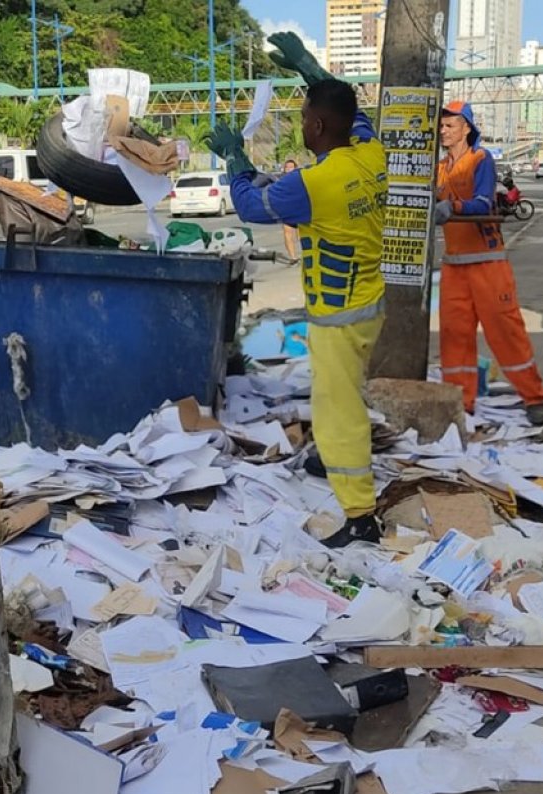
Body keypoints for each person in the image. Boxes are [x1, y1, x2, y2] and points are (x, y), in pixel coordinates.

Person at [207, 31, 387, 548]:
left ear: (317, 125)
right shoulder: (370, 155)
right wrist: (312, 69)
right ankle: (332, 467)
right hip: (368, 302)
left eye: (306, 116)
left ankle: (361, 516)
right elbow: (357, 117)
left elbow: (248, 207)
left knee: (339, 413)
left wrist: (236, 157)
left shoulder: (316, 183)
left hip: (338, 317)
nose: (302, 125)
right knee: (343, 396)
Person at [434, 101, 543, 425]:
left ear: (467, 128)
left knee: (505, 332)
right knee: (454, 336)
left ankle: (533, 397)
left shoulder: (480, 160)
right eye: (441, 126)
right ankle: (461, 403)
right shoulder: (440, 168)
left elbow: (483, 201)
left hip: (487, 263)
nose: (443, 131)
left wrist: (452, 207)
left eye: (450, 125)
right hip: (454, 264)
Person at [281, 159, 301, 262]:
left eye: (291, 167)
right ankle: (293, 257)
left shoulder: (300, 179)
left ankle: (306, 253)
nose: (288, 169)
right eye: (287, 167)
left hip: (300, 210)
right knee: (287, 233)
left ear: (295, 168)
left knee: (301, 234)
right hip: (287, 210)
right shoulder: (281, 182)